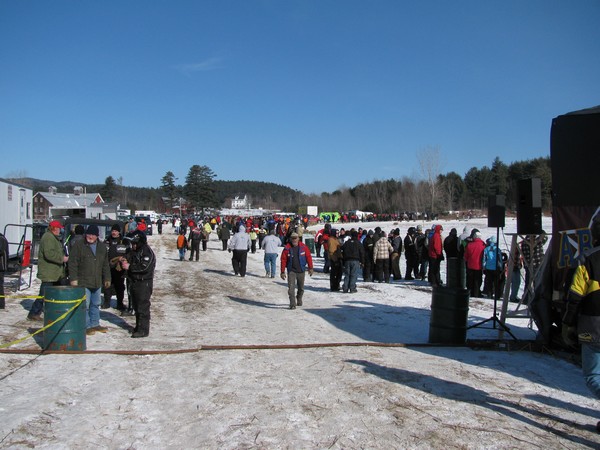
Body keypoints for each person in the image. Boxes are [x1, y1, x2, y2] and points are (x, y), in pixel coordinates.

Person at [562, 217, 600, 431]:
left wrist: (568, 323)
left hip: (594, 326)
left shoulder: (588, 258)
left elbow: (574, 295)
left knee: (593, 376)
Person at [68, 224, 111, 335]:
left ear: (97, 236)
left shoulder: (102, 247)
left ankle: (95, 324)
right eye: (88, 234)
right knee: (84, 305)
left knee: (96, 303)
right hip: (83, 281)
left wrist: (107, 278)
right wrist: (73, 278)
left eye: (93, 235)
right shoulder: (79, 245)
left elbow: (105, 264)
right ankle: (86, 326)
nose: (90, 236)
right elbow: (72, 263)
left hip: (97, 281)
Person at [28, 221, 69, 321]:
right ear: (54, 228)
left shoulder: (52, 237)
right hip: (49, 272)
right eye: (59, 228)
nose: (60, 230)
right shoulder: (48, 237)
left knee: (54, 293)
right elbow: (49, 254)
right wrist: (62, 258)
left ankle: (52, 311)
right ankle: (34, 312)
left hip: (54, 272)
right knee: (44, 294)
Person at [121, 230, 156, 338]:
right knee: (136, 306)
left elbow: (144, 267)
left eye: (135, 244)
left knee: (142, 306)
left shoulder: (146, 252)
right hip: (135, 282)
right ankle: (138, 326)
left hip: (143, 283)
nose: (133, 246)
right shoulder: (134, 251)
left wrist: (130, 267)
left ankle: (143, 330)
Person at [280, 232, 314, 309]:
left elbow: (308, 257)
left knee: (301, 288)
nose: (294, 240)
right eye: (293, 238)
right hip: (291, 271)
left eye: (296, 238)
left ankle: (299, 298)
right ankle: (292, 304)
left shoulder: (303, 247)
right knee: (291, 288)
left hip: (301, 270)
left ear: (298, 238)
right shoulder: (287, 248)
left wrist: (310, 268)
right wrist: (282, 272)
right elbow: (283, 260)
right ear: (290, 239)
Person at [103, 223, 128, 311]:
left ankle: (120, 303)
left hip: (119, 269)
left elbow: (127, 254)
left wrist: (123, 260)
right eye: (113, 231)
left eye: (116, 231)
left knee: (119, 286)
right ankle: (106, 302)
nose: (114, 233)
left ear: (119, 232)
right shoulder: (107, 241)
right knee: (107, 285)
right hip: (108, 268)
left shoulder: (123, 241)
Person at [464, 231, 486, 298]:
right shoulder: (483, 245)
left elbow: (466, 256)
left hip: (470, 265)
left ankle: (470, 292)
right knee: (478, 280)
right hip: (479, 266)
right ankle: (477, 293)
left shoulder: (469, 245)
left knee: (470, 280)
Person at [0, 232, 9, 309]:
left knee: (0, 285)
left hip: (1, 266)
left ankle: (1, 305)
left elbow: (1, 250)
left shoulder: (1, 239)